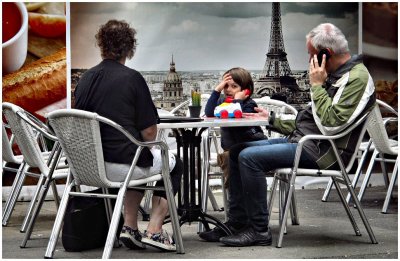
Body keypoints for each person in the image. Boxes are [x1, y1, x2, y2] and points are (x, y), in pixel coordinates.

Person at [199, 23, 376, 246]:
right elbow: (313, 121)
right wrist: (271, 120)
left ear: (325, 54)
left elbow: (332, 124)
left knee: (249, 157)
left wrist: (317, 86)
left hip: (324, 152)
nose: (308, 60)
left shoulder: (355, 79)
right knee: (235, 152)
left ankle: (258, 230)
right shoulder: (336, 76)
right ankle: (237, 222)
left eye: (310, 55)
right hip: (307, 143)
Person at [74, 20, 182, 251]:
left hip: (87, 166)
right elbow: (150, 132)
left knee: (137, 158)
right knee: (169, 162)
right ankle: (155, 229)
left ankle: (130, 228)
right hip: (120, 166)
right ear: (130, 49)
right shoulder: (132, 78)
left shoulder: (84, 79)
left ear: (101, 46)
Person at [204, 68, 266, 188]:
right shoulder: (223, 102)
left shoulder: (249, 105)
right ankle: (235, 194)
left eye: (234, 86)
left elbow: (238, 125)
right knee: (229, 157)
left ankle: (236, 193)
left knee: (230, 158)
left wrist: (238, 100)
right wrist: (217, 90)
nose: (228, 90)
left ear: (246, 91)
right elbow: (209, 112)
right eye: (226, 86)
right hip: (232, 149)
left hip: (250, 146)